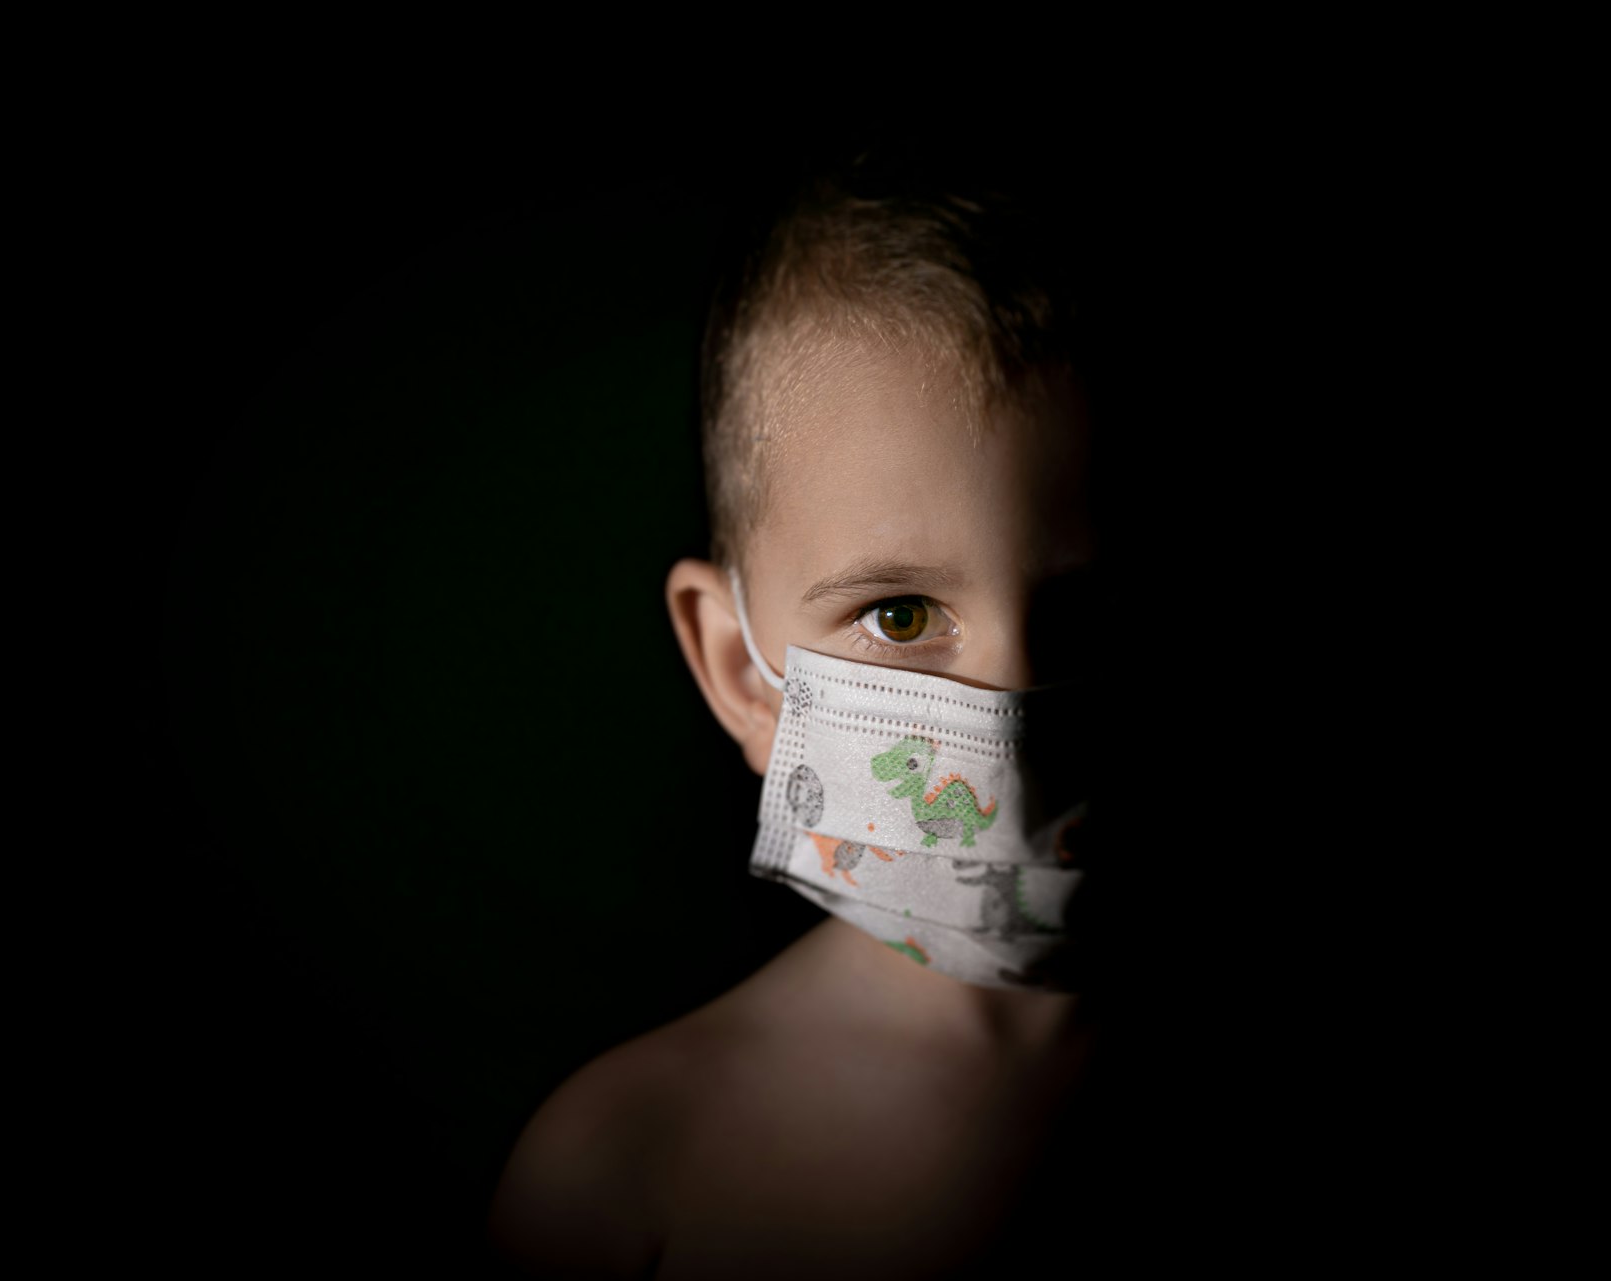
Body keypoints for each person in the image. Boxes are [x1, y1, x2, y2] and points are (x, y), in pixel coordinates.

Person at [488, 139, 1143, 1279]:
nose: (1015, 705)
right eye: (899, 617)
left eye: (1098, 611)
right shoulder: (630, 1163)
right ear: (742, 671)